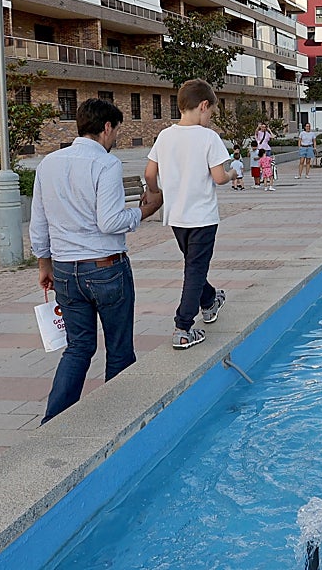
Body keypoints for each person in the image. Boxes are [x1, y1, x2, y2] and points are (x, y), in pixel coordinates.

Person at [30, 98, 162, 424]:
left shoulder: (48, 163)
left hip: (64, 270)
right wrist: (145, 210)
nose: (115, 137)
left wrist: (44, 265)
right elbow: (110, 221)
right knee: (119, 349)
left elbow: (39, 222)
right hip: (105, 268)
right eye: (116, 130)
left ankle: (53, 423)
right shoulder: (106, 163)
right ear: (106, 127)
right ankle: (118, 421)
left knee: (78, 348)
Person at [145, 79, 240, 351]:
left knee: (193, 266)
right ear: (203, 106)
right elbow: (219, 177)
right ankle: (183, 328)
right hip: (203, 217)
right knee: (195, 269)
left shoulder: (165, 136)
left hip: (176, 217)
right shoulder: (209, 138)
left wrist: (156, 193)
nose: (210, 119)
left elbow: (150, 174)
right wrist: (233, 173)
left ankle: (209, 301)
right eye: (211, 113)